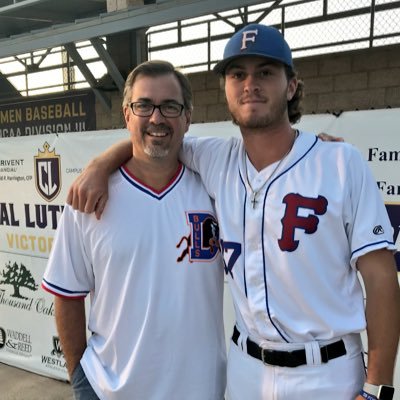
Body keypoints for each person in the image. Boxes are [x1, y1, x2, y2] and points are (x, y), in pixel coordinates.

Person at [67, 24, 400, 400]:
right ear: (225, 88)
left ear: (291, 86)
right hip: (246, 373)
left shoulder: (340, 163)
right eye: (238, 74)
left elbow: (381, 280)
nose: (250, 84)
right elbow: (154, 135)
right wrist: (100, 164)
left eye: (265, 73)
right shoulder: (215, 159)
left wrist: (377, 387)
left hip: (328, 373)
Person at [42, 60, 227, 400]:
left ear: (188, 117)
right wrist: (81, 381)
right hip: (111, 390)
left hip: (201, 390)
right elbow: (67, 295)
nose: (157, 118)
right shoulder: (88, 198)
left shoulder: (217, 189)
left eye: (170, 106)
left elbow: (270, 162)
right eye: (144, 105)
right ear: (127, 115)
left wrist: (314, 146)